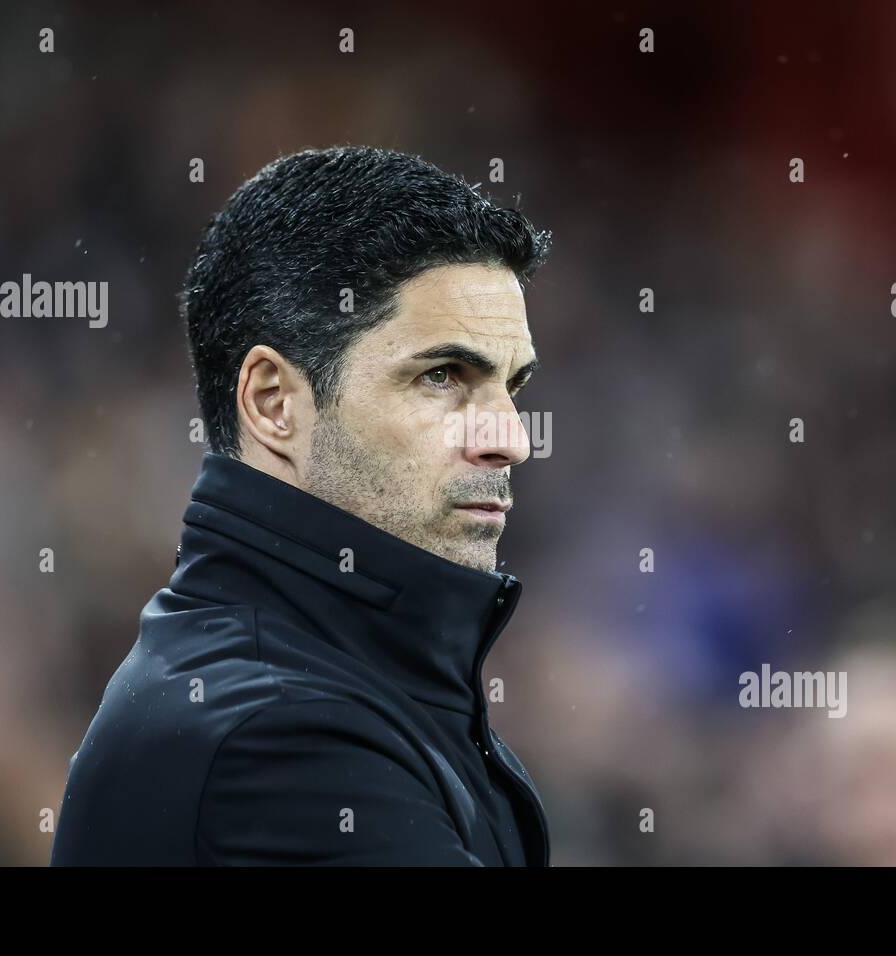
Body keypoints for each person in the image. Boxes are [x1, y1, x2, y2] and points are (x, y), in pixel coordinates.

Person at [50, 145, 552, 865]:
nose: (511, 439)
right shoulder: (273, 739)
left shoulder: (331, 683)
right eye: (443, 376)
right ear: (272, 402)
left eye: (513, 385)